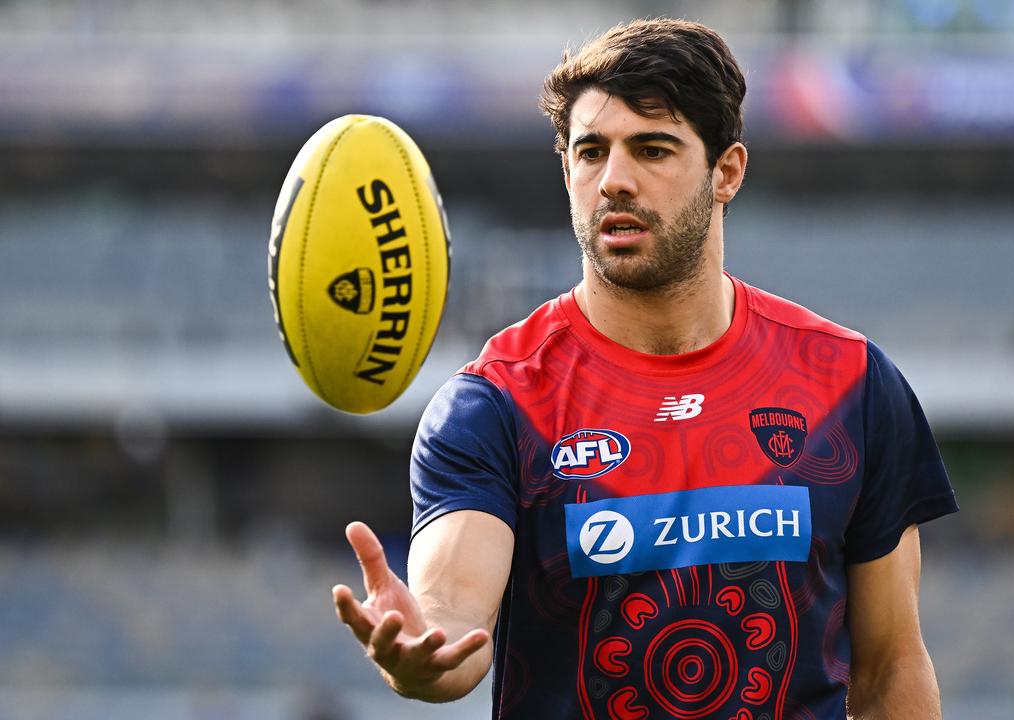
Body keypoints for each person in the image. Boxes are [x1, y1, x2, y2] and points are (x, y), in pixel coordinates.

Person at [333, 18, 958, 719]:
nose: (614, 181)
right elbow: (454, 620)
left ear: (727, 172)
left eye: (652, 149)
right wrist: (424, 651)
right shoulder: (498, 402)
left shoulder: (850, 384)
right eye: (590, 152)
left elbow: (892, 667)